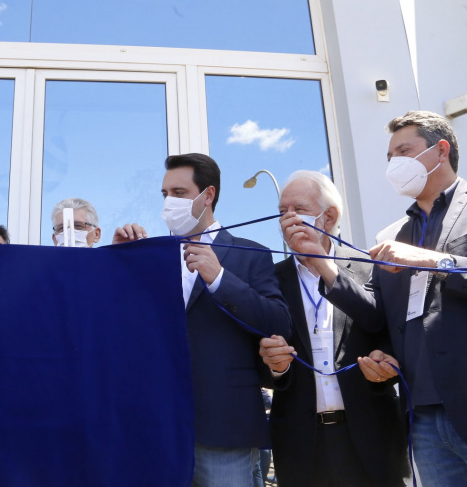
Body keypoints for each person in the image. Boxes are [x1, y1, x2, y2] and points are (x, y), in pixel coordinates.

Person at [296, 111, 467, 485]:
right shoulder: (391, 234)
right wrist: (322, 263)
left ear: (441, 150)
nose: (394, 164)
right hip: (424, 423)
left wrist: (438, 261)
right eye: (389, 158)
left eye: (404, 151)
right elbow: (376, 318)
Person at [259, 170, 407, 486]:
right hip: (301, 445)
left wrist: (323, 265)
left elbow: (382, 326)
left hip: (372, 438)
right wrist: (277, 368)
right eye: (282, 212)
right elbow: (258, 359)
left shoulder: (369, 268)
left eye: (297, 210)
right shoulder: (268, 280)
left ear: (329, 217)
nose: (287, 219)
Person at [160, 153, 290, 486]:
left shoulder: (252, 253)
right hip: (160, 426)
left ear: (208, 195)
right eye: (165, 194)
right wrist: (124, 259)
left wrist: (219, 277)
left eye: (178, 192)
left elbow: (277, 322)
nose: (169, 202)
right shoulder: (155, 256)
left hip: (225, 426)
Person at [50, 197, 146, 247]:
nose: (69, 233)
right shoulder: (41, 271)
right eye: (61, 228)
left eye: (78, 226)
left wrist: (119, 255)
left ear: (97, 234)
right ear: (54, 239)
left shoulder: (106, 268)